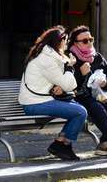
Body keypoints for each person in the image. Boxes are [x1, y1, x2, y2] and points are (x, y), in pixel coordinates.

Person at [18, 26, 88, 161]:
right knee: (80, 112)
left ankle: (61, 143)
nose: (67, 44)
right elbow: (69, 84)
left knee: (79, 109)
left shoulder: (50, 56)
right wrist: (70, 67)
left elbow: (60, 82)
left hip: (39, 100)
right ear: (59, 41)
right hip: (34, 104)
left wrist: (62, 78)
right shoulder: (46, 60)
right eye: (66, 40)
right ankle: (61, 145)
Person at [68, 25, 107, 157]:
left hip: (101, 95)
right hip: (81, 98)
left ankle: (104, 143)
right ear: (75, 43)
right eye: (85, 41)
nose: (89, 43)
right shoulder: (70, 58)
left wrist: (106, 82)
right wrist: (81, 74)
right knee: (98, 108)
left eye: (90, 39)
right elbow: (69, 84)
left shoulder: (96, 57)